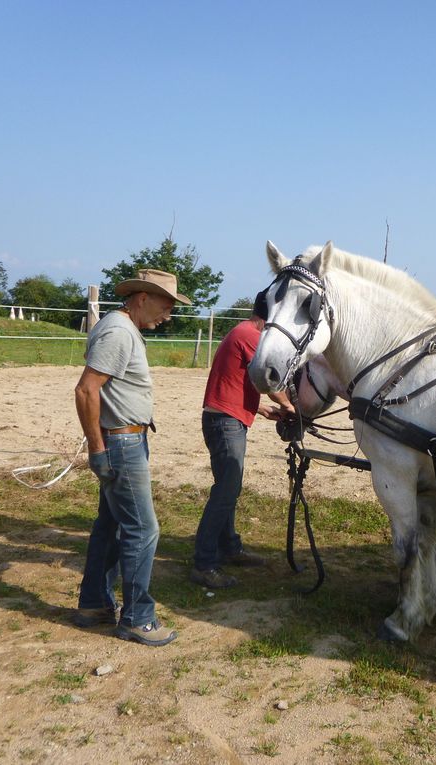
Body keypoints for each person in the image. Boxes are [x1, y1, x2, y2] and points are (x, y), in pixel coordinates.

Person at [72, 268, 190, 647]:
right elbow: (87, 390)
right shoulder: (119, 332)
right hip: (121, 443)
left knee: (111, 525)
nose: (168, 315)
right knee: (143, 529)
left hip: (125, 440)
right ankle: (138, 617)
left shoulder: (123, 329)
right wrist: (97, 448)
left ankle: (94, 604)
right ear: (142, 298)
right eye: (165, 305)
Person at [191, 291, 293, 589]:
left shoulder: (240, 330)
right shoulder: (252, 336)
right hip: (226, 423)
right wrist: (288, 406)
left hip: (224, 417)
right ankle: (204, 563)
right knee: (225, 491)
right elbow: (269, 379)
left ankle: (230, 547)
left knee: (228, 488)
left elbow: (235, 380)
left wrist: (258, 408)